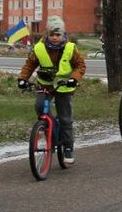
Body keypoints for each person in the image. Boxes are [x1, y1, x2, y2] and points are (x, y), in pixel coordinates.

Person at [18, 16, 86, 163]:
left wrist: (74, 78)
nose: (55, 38)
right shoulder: (39, 48)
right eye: (51, 34)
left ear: (63, 35)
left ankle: (68, 147)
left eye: (58, 35)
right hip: (45, 84)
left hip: (64, 86)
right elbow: (29, 65)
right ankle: (48, 127)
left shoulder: (70, 48)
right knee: (40, 106)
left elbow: (80, 65)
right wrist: (23, 79)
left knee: (65, 118)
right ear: (46, 34)